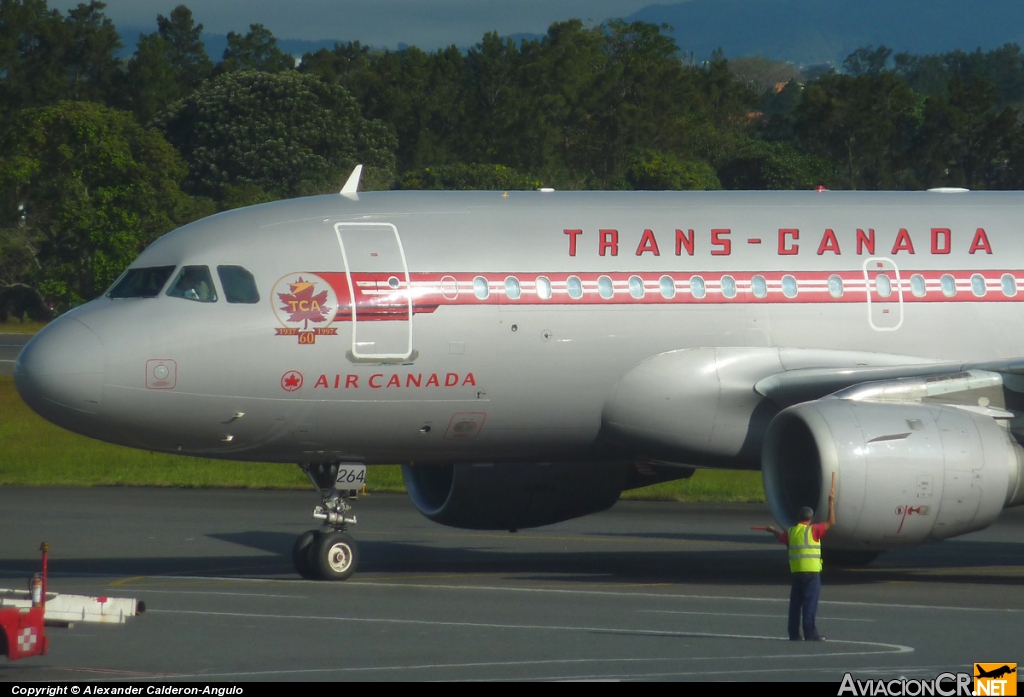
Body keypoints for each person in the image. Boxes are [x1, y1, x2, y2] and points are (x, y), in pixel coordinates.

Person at [763, 489, 835, 641]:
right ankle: (810, 633)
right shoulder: (814, 530)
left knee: (795, 604)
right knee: (810, 604)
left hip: (797, 572)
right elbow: (831, 522)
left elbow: (781, 537)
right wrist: (830, 503)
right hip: (812, 572)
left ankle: (794, 633)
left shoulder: (792, 532)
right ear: (811, 518)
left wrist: (773, 530)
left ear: (799, 518)